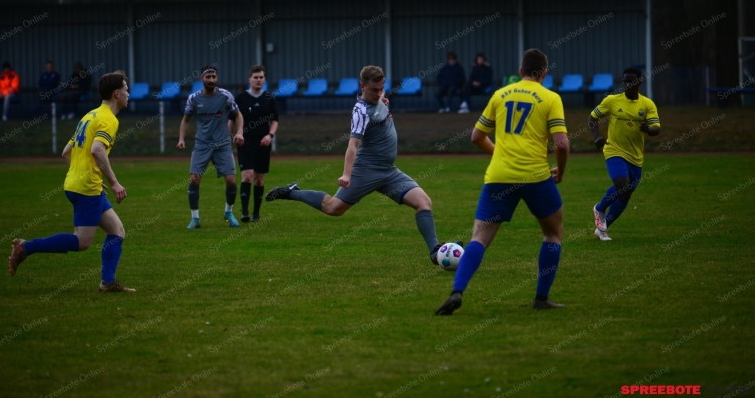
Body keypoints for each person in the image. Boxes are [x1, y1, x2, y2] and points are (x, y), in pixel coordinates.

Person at [435, 49, 569, 315]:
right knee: (552, 233)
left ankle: (457, 291)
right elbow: (562, 143)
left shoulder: (500, 94)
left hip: (498, 176)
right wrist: (561, 172)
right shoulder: (551, 98)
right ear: (543, 73)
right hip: (535, 175)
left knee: (479, 238)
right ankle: (541, 298)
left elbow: (476, 136)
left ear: (520, 72)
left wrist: (501, 153)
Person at [266, 65, 444, 265]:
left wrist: (382, 98)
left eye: (381, 89)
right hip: (366, 170)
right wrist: (347, 175)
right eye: (374, 90)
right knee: (333, 208)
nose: (378, 93)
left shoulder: (379, 96)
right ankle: (292, 192)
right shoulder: (360, 112)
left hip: (389, 172)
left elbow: (380, 95)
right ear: (362, 87)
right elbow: (353, 145)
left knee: (424, 202)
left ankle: (435, 252)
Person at [8, 70, 135, 293]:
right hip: (86, 188)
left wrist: (87, 173)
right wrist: (114, 182)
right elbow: (97, 150)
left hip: (77, 184)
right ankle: (25, 247)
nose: (128, 94)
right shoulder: (109, 119)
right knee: (82, 242)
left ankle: (108, 282)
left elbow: (67, 151)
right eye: (126, 89)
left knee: (117, 230)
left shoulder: (90, 116)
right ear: (116, 93)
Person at [589, 67, 660, 241]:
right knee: (622, 186)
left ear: (639, 82)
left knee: (626, 193)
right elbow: (592, 118)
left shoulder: (647, 104)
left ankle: (602, 230)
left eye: (631, 81)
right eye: (624, 81)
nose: (627, 84)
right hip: (614, 150)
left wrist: (649, 129)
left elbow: (656, 128)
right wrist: (597, 136)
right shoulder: (612, 101)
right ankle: (599, 208)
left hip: (635, 156)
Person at [178, 65, 245, 229]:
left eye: (214, 76)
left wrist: (240, 132)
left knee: (231, 180)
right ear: (201, 79)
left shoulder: (225, 96)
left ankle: (228, 212)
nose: (211, 80)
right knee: (194, 179)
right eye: (208, 77)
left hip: (222, 144)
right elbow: (186, 119)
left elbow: (238, 115)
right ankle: (195, 218)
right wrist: (181, 139)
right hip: (202, 144)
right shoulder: (193, 98)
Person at [234, 65, 279, 223]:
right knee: (247, 176)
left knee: (259, 179)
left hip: (263, 143)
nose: (258, 80)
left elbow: (275, 121)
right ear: (250, 79)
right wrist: (234, 135)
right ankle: (244, 212)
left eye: (261, 77)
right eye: (255, 77)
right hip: (245, 142)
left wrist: (270, 135)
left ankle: (256, 214)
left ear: (264, 80)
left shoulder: (269, 98)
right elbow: (231, 119)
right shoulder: (240, 98)